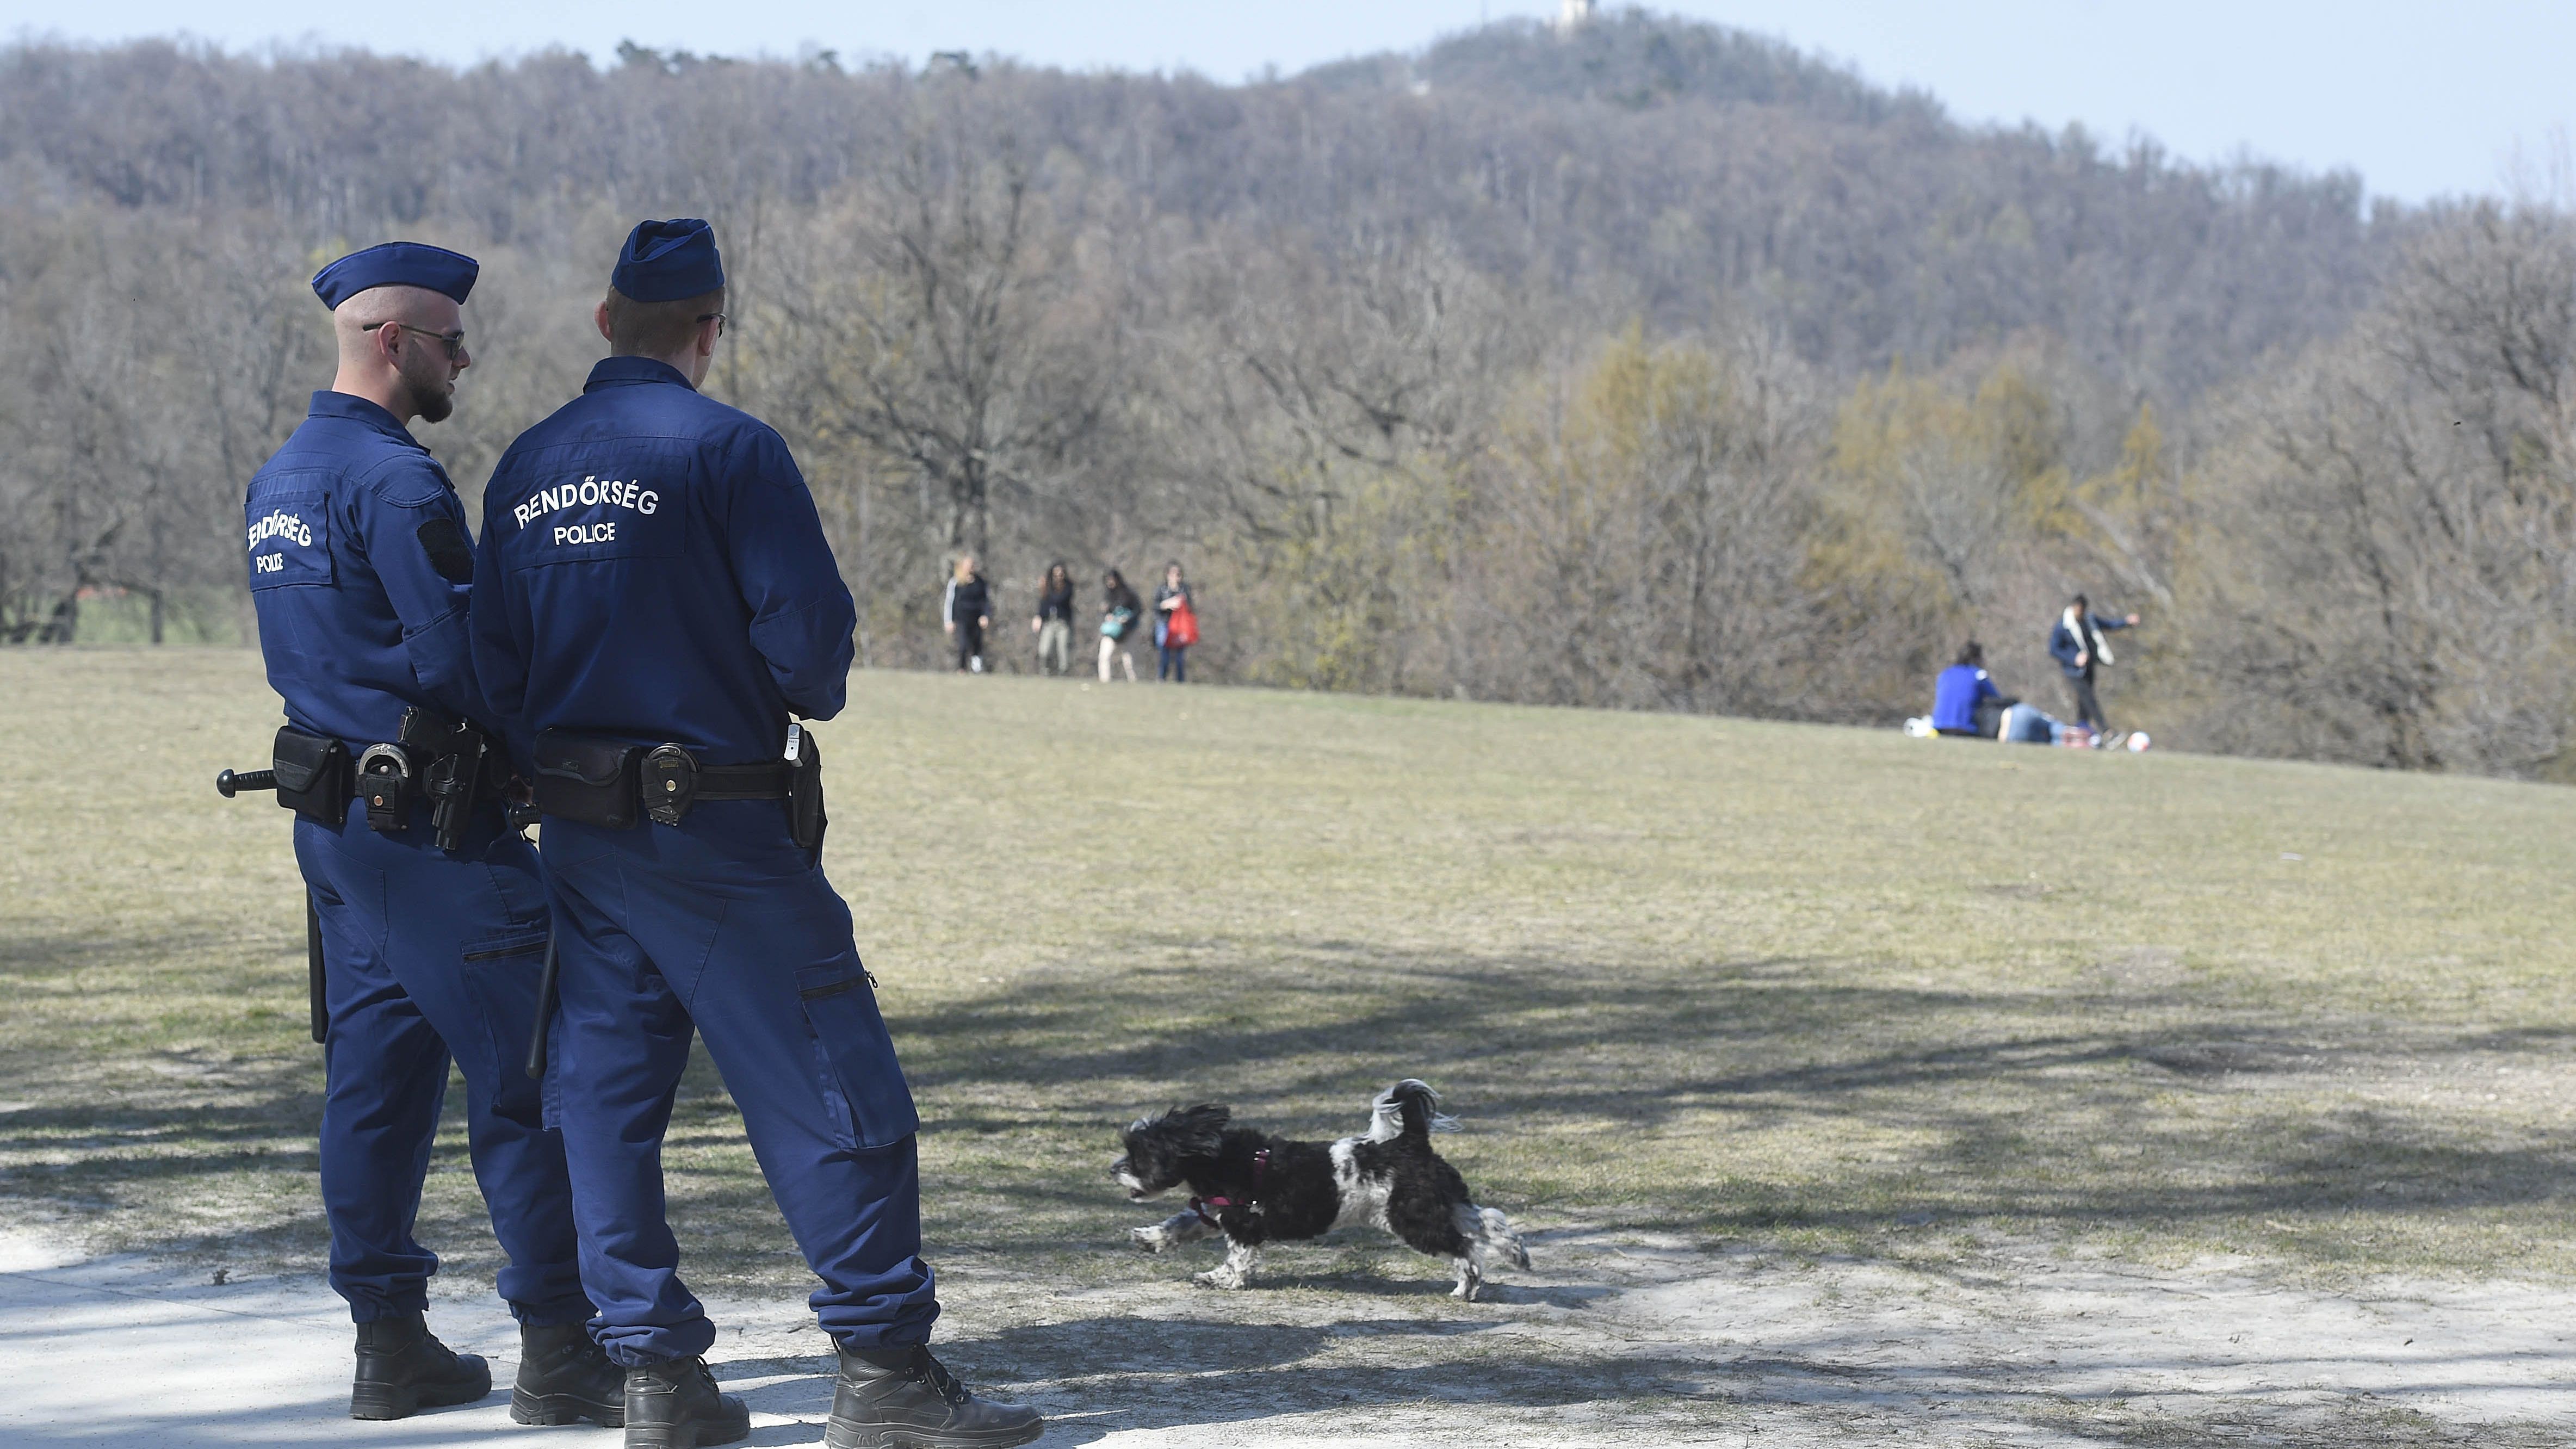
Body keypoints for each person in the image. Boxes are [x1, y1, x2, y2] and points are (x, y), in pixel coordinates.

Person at [470, 219, 1042, 1449]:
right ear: (710, 330)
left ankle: (654, 1377)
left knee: (603, 1099)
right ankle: (885, 1370)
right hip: (713, 828)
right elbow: (808, 658)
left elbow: (495, 666)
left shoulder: (524, 461)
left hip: (577, 829)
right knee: (832, 1077)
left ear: (603, 320)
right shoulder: (730, 449)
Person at [241, 243, 620, 1426]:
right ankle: (562, 1349)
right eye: (452, 341)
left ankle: (388, 1346)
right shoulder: (397, 486)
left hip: (341, 832)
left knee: (374, 1089)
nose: (468, 358)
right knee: (530, 1082)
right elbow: (463, 662)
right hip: (438, 842)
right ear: (393, 341)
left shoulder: (281, 478)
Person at [2047, 593, 2141, 744]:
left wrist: (2126, 622)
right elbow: (2054, 649)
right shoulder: (2063, 626)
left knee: (2084, 703)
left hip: (2089, 668)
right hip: (2073, 671)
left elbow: (2108, 625)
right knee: (2089, 699)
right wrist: (2074, 658)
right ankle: (2107, 732)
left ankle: (2081, 733)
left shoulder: (2089, 619)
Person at [1930, 641, 2016, 739]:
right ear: (1977, 659)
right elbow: (1997, 699)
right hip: (1967, 727)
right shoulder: (1979, 675)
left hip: (1940, 726)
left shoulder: (1945, 674)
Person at [942, 555, 992, 673]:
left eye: (972, 565)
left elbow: (985, 601)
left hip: (977, 618)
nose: (971, 568)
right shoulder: (956, 582)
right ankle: (962, 668)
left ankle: (977, 670)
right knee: (963, 644)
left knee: (977, 645)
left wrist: (985, 615)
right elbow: (950, 602)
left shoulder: (981, 582)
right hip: (962, 618)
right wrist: (948, 621)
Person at [1153, 561, 1197, 683]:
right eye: (1173, 574)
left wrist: (1181, 603)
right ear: (1167, 575)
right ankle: (1162, 678)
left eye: (1178, 574)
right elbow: (1155, 606)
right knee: (1164, 654)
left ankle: (1180, 681)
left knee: (1180, 657)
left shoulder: (1185, 590)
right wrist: (1166, 604)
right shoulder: (1161, 589)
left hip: (1180, 626)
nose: (1176, 577)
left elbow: (1191, 608)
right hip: (1165, 624)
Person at [1030, 561, 1076, 676]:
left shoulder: (1068, 587)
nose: (1058, 576)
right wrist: (1038, 617)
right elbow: (1043, 604)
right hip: (1049, 622)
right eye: (1056, 574)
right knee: (1044, 651)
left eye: (1061, 574)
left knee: (1063, 651)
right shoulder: (1047, 588)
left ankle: (1063, 674)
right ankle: (1046, 673)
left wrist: (1048, 588)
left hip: (1062, 623)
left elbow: (1059, 600)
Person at [1098, 567, 1143, 682]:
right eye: (1108, 580)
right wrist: (1106, 614)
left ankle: (1134, 682)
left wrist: (1127, 618)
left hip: (1129, 630)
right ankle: (1105, 681)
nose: (1110, 583)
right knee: (1105, 656)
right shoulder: (1107, 594)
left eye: (1112, 580)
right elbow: (1104, 611)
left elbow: (1139, 609)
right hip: (1112, 631)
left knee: (1129, 660)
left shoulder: (1128, 593)